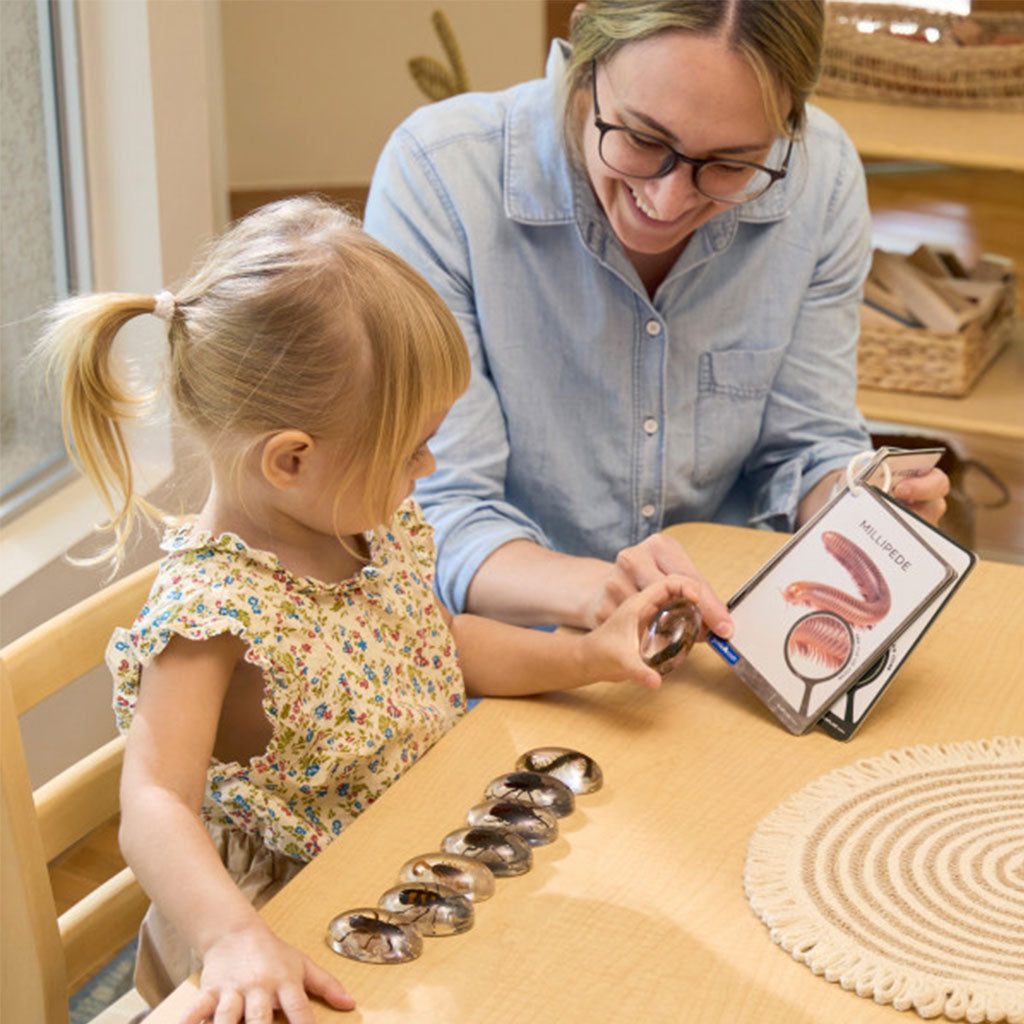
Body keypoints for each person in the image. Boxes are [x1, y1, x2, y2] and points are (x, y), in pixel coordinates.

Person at [40, 197, 700, 1023]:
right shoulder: (210, 615)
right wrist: (233, 937)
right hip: (287, 924)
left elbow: (438, 644)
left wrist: (585, 655)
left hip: (412, 852)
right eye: (411, 446)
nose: (429, 465)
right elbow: (153, 804)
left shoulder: (362, 523)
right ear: (291, 460)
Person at [363, 0, 949, 636]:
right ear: (586, 50)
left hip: (725, 631)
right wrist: (613, 597)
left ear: (786, 122)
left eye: (730, 163)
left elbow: (806, 446)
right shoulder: (440, 177)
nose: (668, 201)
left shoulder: (818, 179)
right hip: (513, 646)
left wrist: (856, 500)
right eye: (643, 140)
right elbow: (440, 511)